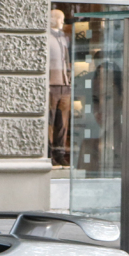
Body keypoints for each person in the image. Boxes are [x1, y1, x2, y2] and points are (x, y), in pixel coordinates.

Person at [48, 9, 72, 166]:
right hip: (51, 84)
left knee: (63, 122)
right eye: (60, 18)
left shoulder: (64, 38)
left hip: (65, 84)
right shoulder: (46, 37)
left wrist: (69, 78)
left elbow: (67, 59)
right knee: (50, 121)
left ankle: (60, 153)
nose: (62, 21)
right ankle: (48, 153)